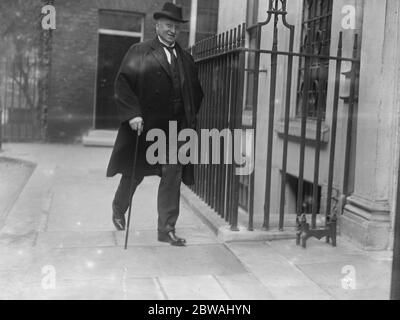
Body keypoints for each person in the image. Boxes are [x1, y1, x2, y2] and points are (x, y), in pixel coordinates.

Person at [106, 2, 204, 246]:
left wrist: (188, 118)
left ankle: (166, 229)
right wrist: (133, 114)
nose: (172, 31)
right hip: (146, 128)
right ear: (157, 25)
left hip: (175, 131)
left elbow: (196, 93)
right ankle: (119, 208)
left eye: (176, 27)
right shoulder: (139, 51)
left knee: (172, 176)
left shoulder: (187, 59)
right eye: (168, 25)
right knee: (134, 174)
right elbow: (123, 84)